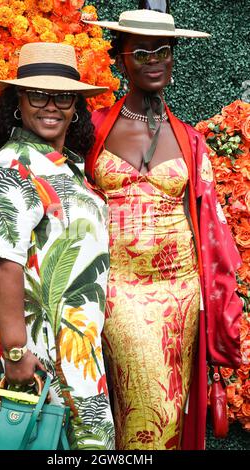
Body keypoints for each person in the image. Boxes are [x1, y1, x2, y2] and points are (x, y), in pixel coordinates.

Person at [84, 9, 242, 450]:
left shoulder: (190, 140)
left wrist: (221, 295)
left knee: (171, 407)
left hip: (181, 291)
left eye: (163, 52)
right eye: (141, 52)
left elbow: (211, 225)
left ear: (173, 59)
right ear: (121, 59)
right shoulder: (92, 129)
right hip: (119, 288)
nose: (153, 60)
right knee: (146, 409)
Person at [0, 42, 115, 450]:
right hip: (41, 342)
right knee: (87, 444)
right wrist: (16, 355)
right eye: (38, 94)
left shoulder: (61, 164)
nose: (50, 106)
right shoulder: (13, 165)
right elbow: (3, 262)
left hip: (73, 341)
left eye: (63, 96)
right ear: (18, 100)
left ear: (75, 105)